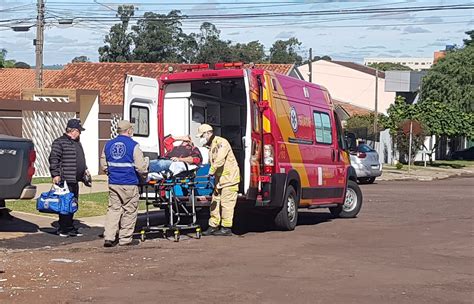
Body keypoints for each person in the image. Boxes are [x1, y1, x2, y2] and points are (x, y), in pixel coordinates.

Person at [100, 120, 148, 247]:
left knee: (113, 210)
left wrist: (110, 173)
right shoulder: (134, 146)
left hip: (114, 183)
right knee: (129, 211)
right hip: (129, 183)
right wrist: (144, 176)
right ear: (129, 130)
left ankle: (109, 237)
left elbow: (104, 164)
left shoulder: (108, 144)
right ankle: (125, 239)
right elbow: (140, 167)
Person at [196, 124, 240, 236]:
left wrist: (210, 172)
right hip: (219, 181)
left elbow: (219, 160)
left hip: (230, 180)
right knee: (214, 203)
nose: (202, 139)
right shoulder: (212, 146)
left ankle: (226, 228)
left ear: (208, 133)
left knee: (226, 204)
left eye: (202, 136)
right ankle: (213, 226)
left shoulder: (221, 143)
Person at [49, 118, 89, 237]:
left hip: (75, 179)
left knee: (73, 203)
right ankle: (63, 228)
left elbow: (80, 158)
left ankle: (70, 227)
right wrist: (55, 174)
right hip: (65, 178)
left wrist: (85, 169)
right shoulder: (59, 142)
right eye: (79, 131)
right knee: (64, 204)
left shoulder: (77, 142)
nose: (80, 133)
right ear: (73, 130)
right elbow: (53, 159)